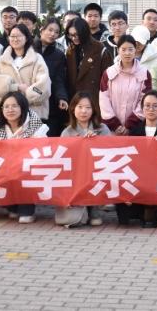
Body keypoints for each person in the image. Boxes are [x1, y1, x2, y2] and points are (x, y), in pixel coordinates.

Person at [0, 91, 48, 223]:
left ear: (23, 107)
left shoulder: (35, 124)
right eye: (6, 106)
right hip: (6, 167)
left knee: (25, 174)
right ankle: (12, 206)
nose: (10, 110)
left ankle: (27, 210)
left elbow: (42, 150)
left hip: (29, 166)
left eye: (14, 106)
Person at [55, 92, 111, 228]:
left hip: (97, 171)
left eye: (88, 107)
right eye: (80, 107)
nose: (84, 111)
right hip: (76, 175)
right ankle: (83, 208)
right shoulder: (67, 132)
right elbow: (62, 159)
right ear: (73, 109)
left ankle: (95, 210)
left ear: (93, 110)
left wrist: (96, 141)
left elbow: (110, 151)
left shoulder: (102, 129)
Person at [124, 90, 157, 227]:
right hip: (138, 176)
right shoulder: (134, 131)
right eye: (147, 106)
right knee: (124, 216)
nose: (151, 109)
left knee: (150, 218)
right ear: (142, 108)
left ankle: (152, 209)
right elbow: (129, 159)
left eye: (155, 106)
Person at [0, 24, 52, 123]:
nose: (15, 39)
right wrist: (16, 87)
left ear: (26, 38)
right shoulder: (1, 60)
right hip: (7, 113)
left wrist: (27, 93)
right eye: (12, 36)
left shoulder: (37, 58)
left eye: (19, 36)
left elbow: (43, 87)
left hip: (32, 113)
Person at [99, 35, 152, 134]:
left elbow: (145, 100)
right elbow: (104, 99)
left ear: (135, 50)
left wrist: (130, 124)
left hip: (136, 128)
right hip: (112, 129)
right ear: (118, 50)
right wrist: (114, 124)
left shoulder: (144, 73)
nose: (127, 53)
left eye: (130, 49)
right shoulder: (109, 73)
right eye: (123, 49)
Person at [63, 17, 114, 112]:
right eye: (70, 35)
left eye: (77, 34)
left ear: (84, 33)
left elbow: (109, 81)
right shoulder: (70, 50)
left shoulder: (100, 49)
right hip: (75, 102)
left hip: (94, 102)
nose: (74, 38)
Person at [34, 20, 68, 135]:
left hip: (49, 104)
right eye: (50, 30)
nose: (53, 34)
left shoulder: (59, 55)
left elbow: (59, 80)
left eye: (56, 32)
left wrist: (61, 97)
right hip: (30, 102)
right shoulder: (28, 49)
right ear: (41, 29)